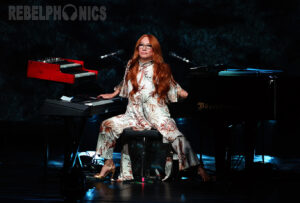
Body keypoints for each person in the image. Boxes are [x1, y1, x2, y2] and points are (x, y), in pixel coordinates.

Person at [94, 34, 210, 182]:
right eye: (141, 45)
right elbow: (124, 83)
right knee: (107, 125)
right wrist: (114, 93)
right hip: (133, 115)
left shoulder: (162, 69)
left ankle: (198, 168)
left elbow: (174, 88)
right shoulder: (131, 65)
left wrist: (190, 94)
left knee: (177, 137)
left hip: (157, 115)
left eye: (148, 45)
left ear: (154, 50)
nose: (143, 48)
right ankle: (108, 164)